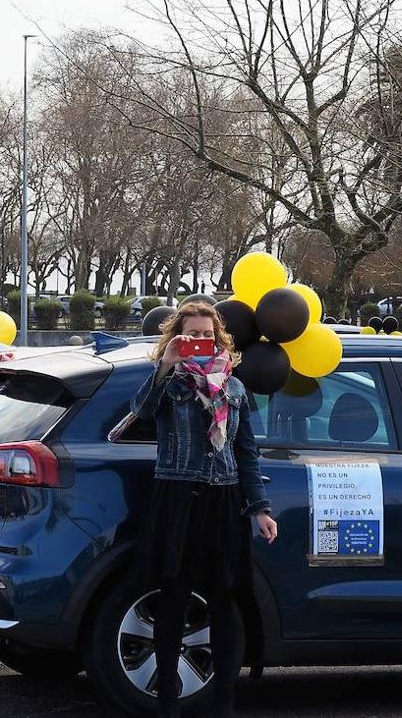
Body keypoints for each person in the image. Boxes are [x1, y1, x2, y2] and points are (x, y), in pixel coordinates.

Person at [129, 301, 277, 717]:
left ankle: (225, 701)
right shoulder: (169, 382)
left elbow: (246, 452)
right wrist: (166, 366)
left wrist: (259, 508)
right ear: (177, 336)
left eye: (206, 335)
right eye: (191, 334)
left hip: (223, 499)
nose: (199, 341)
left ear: (218, 338)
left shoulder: (232, 386)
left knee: (224, 600)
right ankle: (167, 702)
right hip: (177, 498)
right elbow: (139, 413)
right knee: (173, 598)